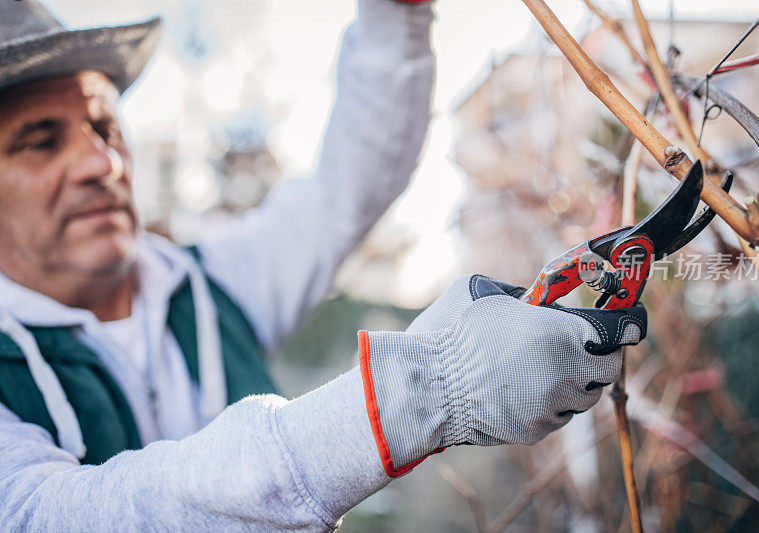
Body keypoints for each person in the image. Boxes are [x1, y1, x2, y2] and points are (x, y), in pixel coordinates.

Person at [0, 0, 646, 530]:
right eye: (40, 141)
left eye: (105, 126)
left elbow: (348, 185)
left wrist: (396, 15)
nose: (101, 163)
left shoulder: (205, 285)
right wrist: (425, 390)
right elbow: (54, 515)